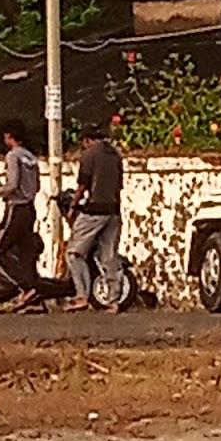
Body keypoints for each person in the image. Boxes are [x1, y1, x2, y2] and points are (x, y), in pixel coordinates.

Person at [65, 126, 125, 311]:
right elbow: (119, 187)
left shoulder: (90, 154)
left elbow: (83, 184)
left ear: (87, 140)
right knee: (109, 256)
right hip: (113, 210)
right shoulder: (115, 155)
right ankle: (114, 300)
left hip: (95, 210)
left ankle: (81, 295)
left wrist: (73, 206)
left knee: (74, 253)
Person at [0, 122, 43, 308]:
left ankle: (26, 288)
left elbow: (12, 184)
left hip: (16, 208)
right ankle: (34, 298)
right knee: (25, 254)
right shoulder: (31, 157)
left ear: (10, 137)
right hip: (30, 208)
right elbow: (37, 186)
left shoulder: (13, 156)